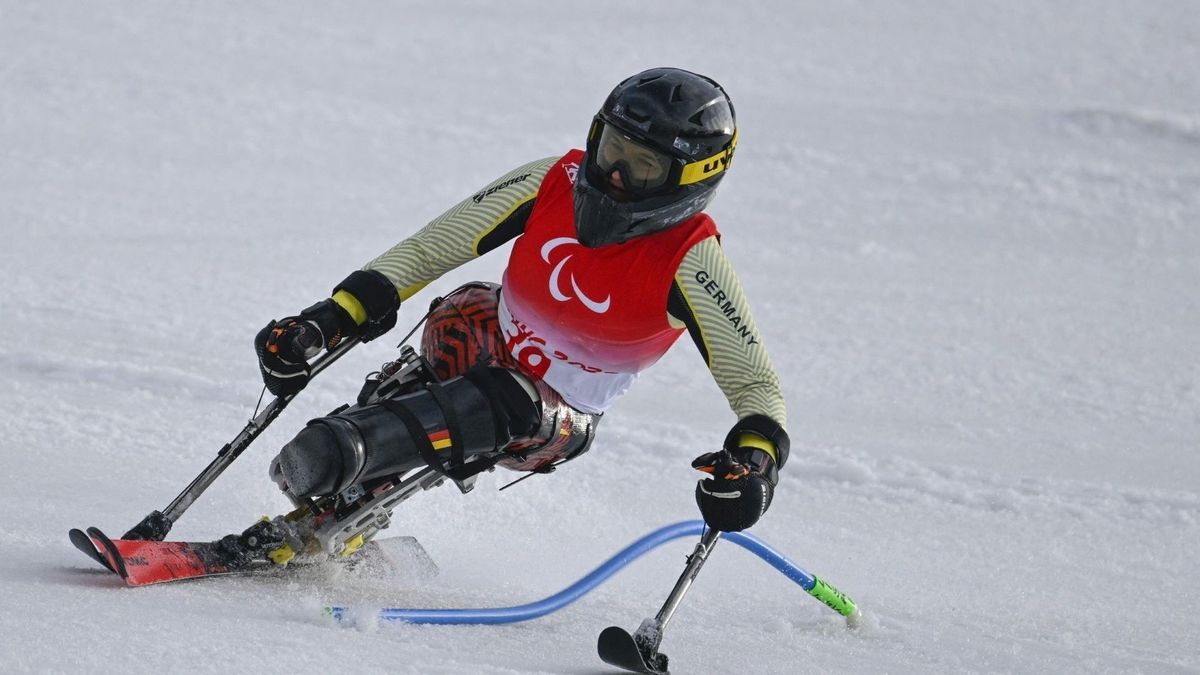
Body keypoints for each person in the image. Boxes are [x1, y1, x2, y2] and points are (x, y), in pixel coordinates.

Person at [253, 67, 789, 558]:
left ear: (690, 179)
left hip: (554, 417)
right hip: (489, 341)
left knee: (502, 398)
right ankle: (344, 504)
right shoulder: (550, 181)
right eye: (611, 149)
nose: (617, 175)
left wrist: (754, 466)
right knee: (463, 310)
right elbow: (429, 250)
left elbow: (757, 386)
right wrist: (331, 316)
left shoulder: (692, 261)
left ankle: (347, 451)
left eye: (644, 166)